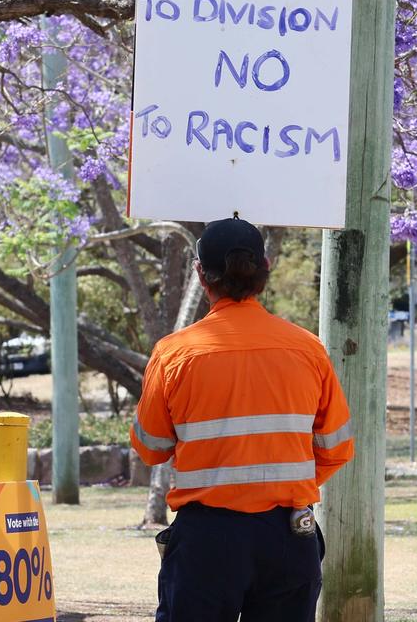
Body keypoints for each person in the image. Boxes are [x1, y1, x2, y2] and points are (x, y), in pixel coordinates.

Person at [130, 217, 355, 622]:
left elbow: (151, 449)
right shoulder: (308, 349)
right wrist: (278, 483)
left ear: (201, 274)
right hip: (289, 534)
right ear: (264, 267)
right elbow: (336, 447)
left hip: (206, 540)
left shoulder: (173, 353)